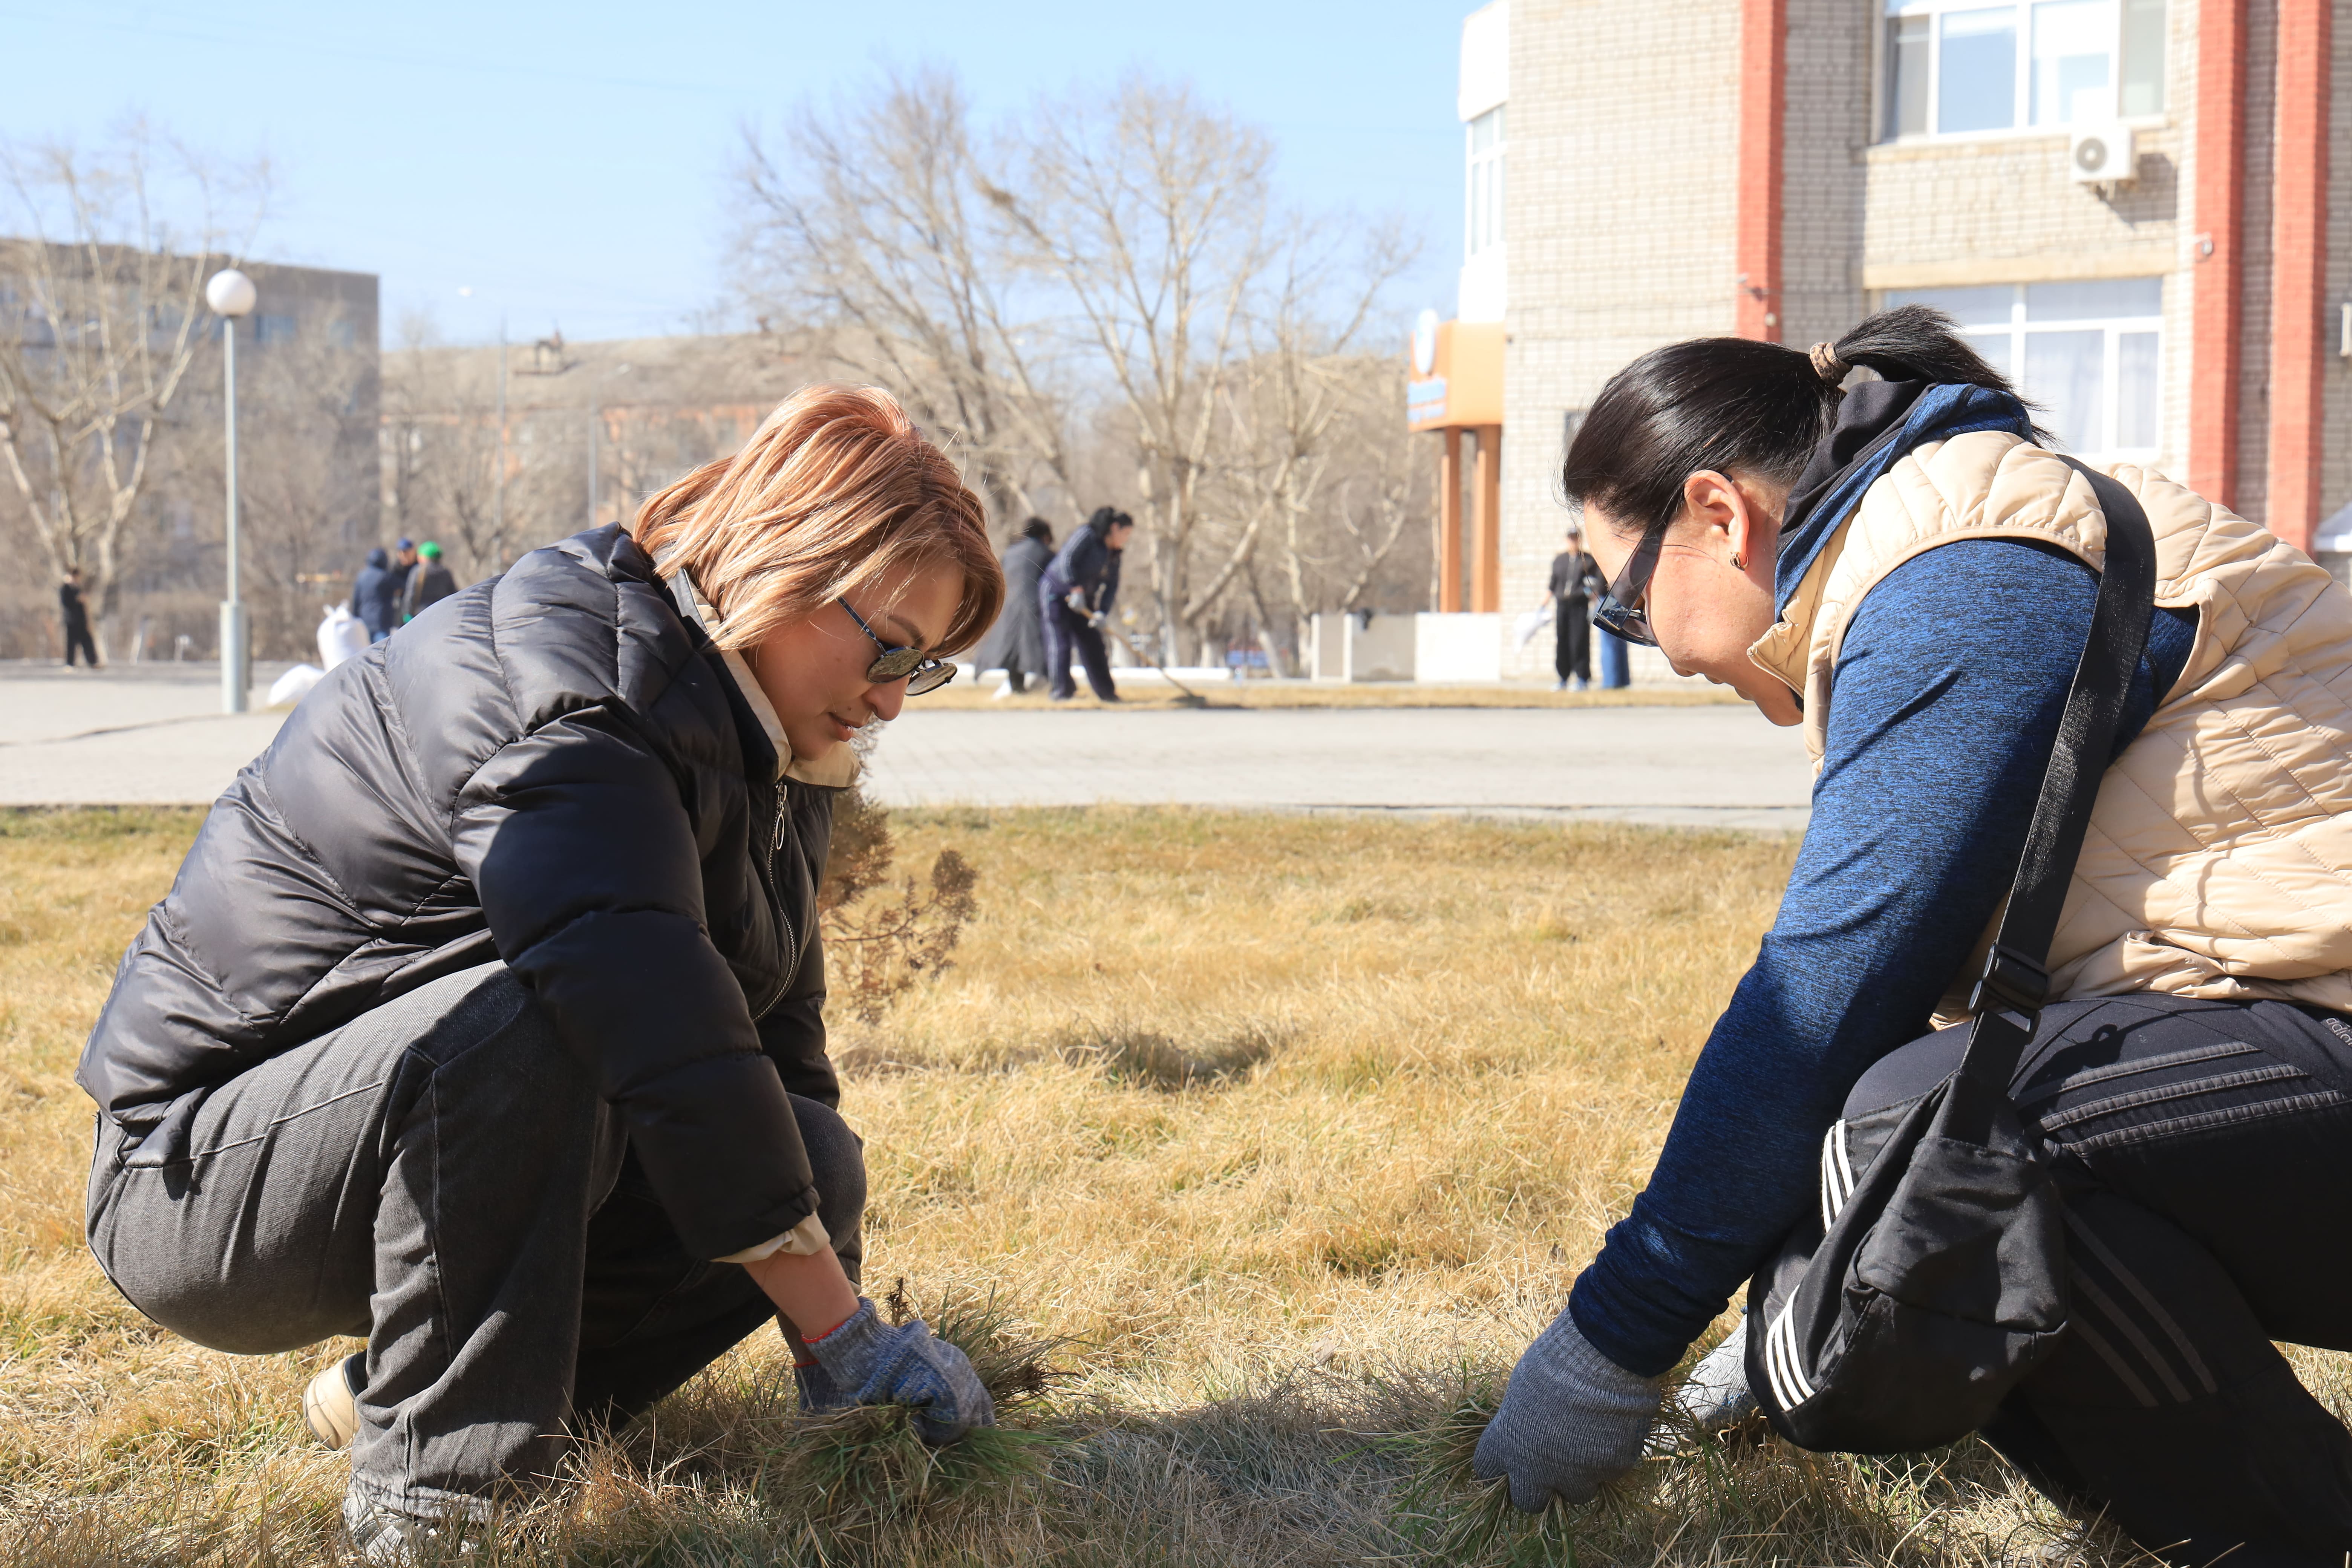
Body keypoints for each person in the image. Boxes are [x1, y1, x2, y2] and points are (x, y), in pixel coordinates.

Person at [1468, 307, 2352, 1566]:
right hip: (2296, 1050)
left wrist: (1608, 1349)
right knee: (1918, 1147)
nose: (1654, 653)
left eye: (1628, 604)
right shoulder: (1936, 544)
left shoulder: (1972, 570)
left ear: (1718, 515)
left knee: (1948, 1141)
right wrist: (1786, 1311)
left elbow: (1829, 996)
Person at [78, 385, 1006, 1561]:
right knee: (535, 1028)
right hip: (198, 1178)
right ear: (788, 565)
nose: (891, 700)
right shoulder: (566, 694)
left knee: (805, 1165)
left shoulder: (755, 727)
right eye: (891, 648)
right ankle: (440, 1512)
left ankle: (394, 1392)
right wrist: (838, 1335)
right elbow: (657, 1025)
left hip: (399, 1132)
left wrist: (844, 1341)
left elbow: (769, 1053)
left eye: (925, 670)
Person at [1040, 506, 1132, 702]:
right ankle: (1061, 692)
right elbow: (1066, 560)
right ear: (1115, 528)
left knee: (1093, 644)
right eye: (1126, 533)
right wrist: (1074, 588)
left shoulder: (1114, 554)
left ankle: (1107, 693)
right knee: (1060, 643)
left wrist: (1102, 613)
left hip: (1084, 600)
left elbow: (1111, 586)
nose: (1126, 539)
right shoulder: (1087, 535)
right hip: (1059, 593)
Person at [972, 518, 1054, 693]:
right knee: (1041, 645)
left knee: (1012, 647)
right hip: (1035, 605)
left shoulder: (1011, 552)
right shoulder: (1045, 554)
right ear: (1045, 536)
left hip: (1008, 604)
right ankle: (1053, 685)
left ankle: (1017, 685)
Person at [1544, 527, 1605, 690]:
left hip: (1579, 605)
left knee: (1579, 640)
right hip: (1562, 605)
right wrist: (1543, 605)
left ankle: (1582, 677)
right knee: (1562, 640)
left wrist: (1593, 597)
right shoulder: (1560, 560)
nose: (1573, 542)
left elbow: (1597, 583)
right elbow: (1553, 584)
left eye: (1576, 538)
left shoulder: (1588, 560)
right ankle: (1563, 677)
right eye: (1571, 539)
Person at [349, 547, 400, 642]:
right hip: (382, 620)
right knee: (382, 648)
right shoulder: (385, 576)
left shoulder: (361, 577)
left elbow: (356, 600)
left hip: (364, 620)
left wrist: (355, 618)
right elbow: (402, 586)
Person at [401, 541, 458, 623]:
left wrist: (407, 613)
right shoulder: (445, 572)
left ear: (424, 557)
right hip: (442, 614)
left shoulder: (418, 571)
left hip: (422, 615)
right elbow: (454, 594)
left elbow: (411, 594)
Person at [58, 567, 98, 668]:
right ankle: (70, 663)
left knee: (87, 641)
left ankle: (93, 662)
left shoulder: (78, 588)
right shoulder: (66, 588)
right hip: (71, 620)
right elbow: (66, 604)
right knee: (71, 643)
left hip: (81, 620)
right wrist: (77, 600)